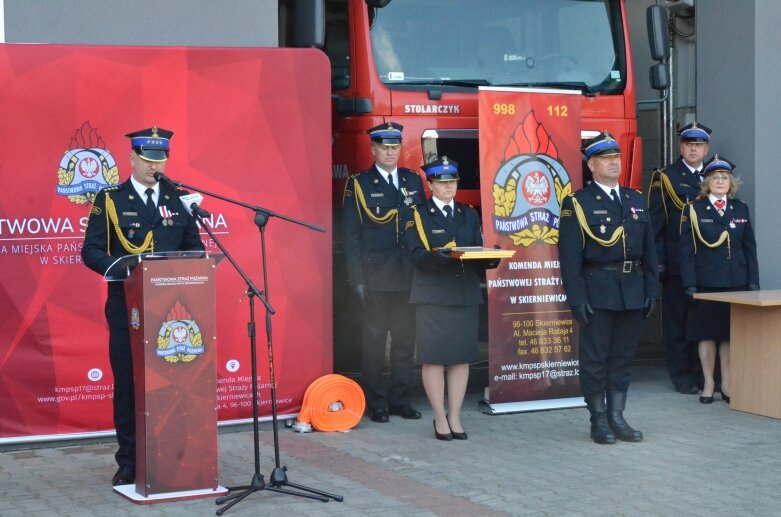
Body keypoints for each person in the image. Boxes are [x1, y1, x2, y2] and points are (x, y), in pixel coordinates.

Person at [81, 127, 204, 486]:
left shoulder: (177, 198)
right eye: (148, 160)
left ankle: (176, 454)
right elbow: (90, 251)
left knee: (175, 384)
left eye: (160, 159)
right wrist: (119, 269)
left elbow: (193, 249)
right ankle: (130, 461)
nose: (155, 166)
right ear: (132, 159)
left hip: (173, 312)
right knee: (129, 386)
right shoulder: (111, 199)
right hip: (128, 309)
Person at [558, 132, 658, 445]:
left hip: (632, 289)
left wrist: (651, 290)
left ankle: (618, 416)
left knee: (623, 356)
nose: (614, 162)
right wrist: (576, 299)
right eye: (606, 158)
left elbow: (651, 252)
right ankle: (598, 419)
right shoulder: (578, 203)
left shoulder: (635, 199)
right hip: (597, 290)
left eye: (616, 157)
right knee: (594, 358)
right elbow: (569, 257)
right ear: (591, 165)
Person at [406, 157, 499, 441]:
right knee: (433, 358)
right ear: (431, 184)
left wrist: (491, 257)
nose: (449, 187)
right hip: (433, 294)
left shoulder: (467, 214)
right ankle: (438, 416)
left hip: (464, 294)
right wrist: (439, 257)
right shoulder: (418, 214)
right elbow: (416, 256)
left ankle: (455, 415)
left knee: (461, 358)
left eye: (453, 182)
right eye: (442, 183)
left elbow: (473, 254)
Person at [342, 121, 426, 423]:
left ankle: (400, 399)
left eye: (395, 148)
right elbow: (351, 236)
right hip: (375, 277)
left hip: (408, 275)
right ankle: (376, 402)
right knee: (375, 343)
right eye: (384, 148)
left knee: (405, 341)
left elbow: (421, 227)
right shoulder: (359, 184)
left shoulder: (412, 180)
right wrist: (356, 279)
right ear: (373, 150)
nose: (390, 153)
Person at [679, 155, 759, 405]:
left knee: (728, 335)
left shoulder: (740, 208)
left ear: (731, 183)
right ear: (707, 183)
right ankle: (708, 383)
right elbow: (686, 251)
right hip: (706, 282)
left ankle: (727, 383)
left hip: (735, 281)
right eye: (715, 178)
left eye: (724, 178)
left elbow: (749, 249)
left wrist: (753, 282)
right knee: (706, 334)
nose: (720, 182)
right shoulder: (694, 209)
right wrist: (689, 283)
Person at [648, 122, 712, 395]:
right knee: (677, 323)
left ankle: (703, 376)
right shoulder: (666, 177)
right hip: (676, 265)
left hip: (706, 265)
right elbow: (656, 225)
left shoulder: (716, 176)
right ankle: (682, 376)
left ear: (706, 148)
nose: (693, 149)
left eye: (698, 145)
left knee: (703, 324)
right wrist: (659, 264)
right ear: (681, 147)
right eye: (688, 144)